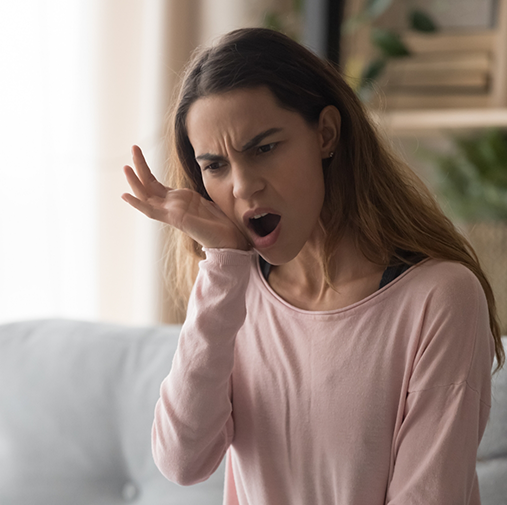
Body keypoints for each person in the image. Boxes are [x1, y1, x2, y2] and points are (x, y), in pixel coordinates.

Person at [122, 28, 504, 505]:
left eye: (263, 148)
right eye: (215, 165)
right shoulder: (233, 293)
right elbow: (182, 461)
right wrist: (223, 267)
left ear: (325, 133)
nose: (243, 187)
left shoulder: (440, 297)